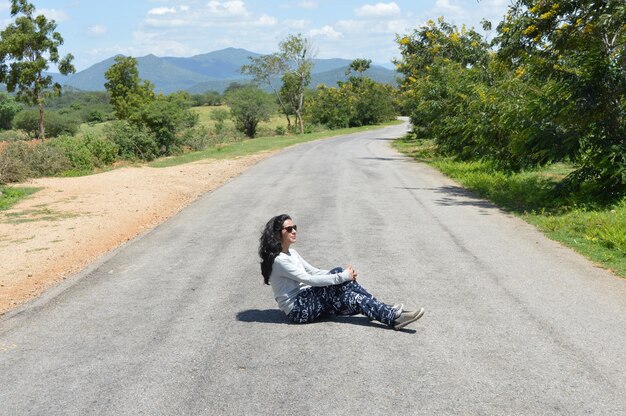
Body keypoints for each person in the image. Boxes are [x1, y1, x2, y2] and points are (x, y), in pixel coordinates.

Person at [258, 214, 425, 330]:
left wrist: (341, 275)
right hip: (298, 309)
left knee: (345, 287)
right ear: (277, 234)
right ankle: (392, 315)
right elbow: (308, 279)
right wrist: (341, 277)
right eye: (288, 229)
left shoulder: (291, 253)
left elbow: (314, 271)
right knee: (345, 289)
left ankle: (385, 311)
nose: (294, 231)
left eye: (294, 227)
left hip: (307, 299)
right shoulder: (279, 260)